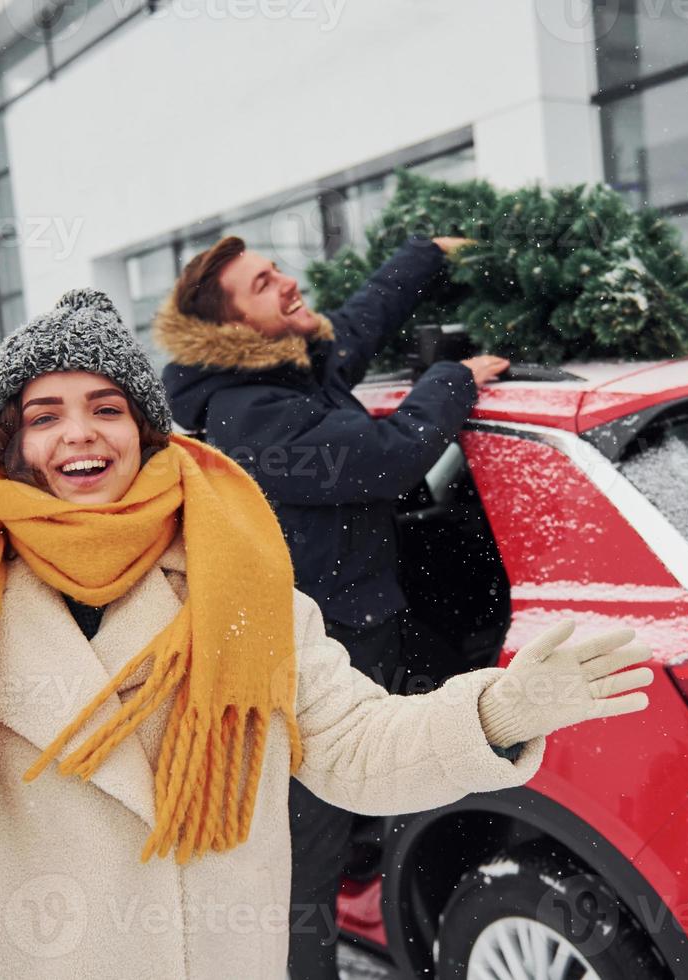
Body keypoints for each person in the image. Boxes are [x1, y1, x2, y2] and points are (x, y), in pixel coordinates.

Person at [0, 288, 654, 980]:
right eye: (45, 414)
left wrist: (490, 708)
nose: (78, 433)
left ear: (147, 428)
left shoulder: (242, 574)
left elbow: (351, 745)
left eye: (105, 407)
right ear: (9, 442)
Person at [156, 235, 506, 977]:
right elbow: (387, 458)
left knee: (377, 789)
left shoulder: (284, 368)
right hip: (317, 654)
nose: (286, 282)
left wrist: (424, 256)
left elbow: (358, 321)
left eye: (276, 268)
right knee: (307, 855)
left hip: (365, 620)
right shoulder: (249, 412)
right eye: (263, 283)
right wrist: (452, 378)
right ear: (234, 326)